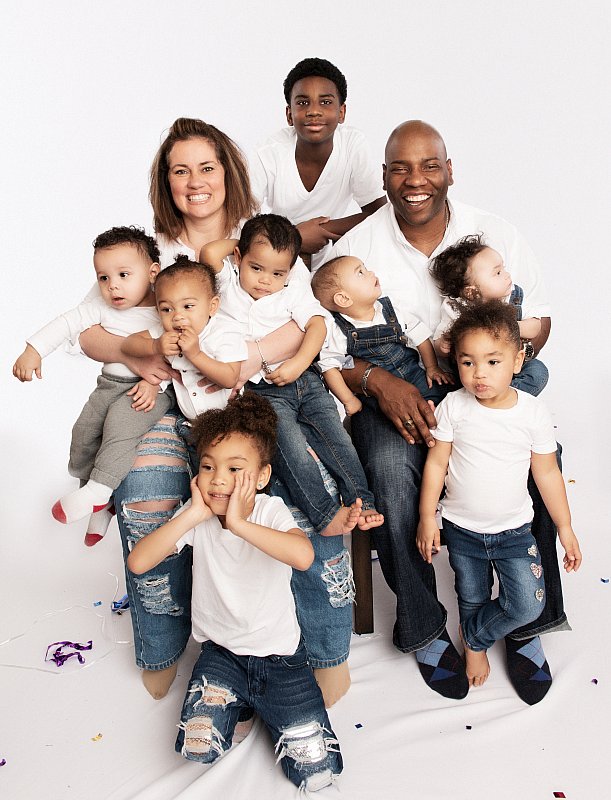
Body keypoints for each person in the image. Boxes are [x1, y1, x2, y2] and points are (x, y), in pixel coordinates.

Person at [79, 119, 352, 703]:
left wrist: (242, 361)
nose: (195, 181)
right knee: (147, 487)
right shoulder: (147, 253)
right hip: (172, 407)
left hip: (254, 401)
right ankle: (163, 642)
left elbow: (303, 321)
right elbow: (91, 334)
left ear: (229, 172)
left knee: (312, 486)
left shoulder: (263, 240)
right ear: (165, 180)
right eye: (180, 170)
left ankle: (325, 647)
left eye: (207, 167)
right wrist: (147, 349)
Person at [330, 119, 568, 704]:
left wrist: (487, 349)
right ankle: (425, 626)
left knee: (539, 456)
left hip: (483, 372)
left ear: (449, 170)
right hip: (395, 380)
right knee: (388, 469)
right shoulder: (354, 248)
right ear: (384, 175)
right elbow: (320, 346)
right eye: (400, 167)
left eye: (429, 165)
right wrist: (378, 380)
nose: (416, 180)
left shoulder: (495, 232)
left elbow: (539, 319)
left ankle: (524, 620)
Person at [127, 392, 343, 791]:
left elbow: (302, 555)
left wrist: (240, 524)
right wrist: (192, 513)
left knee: (316, 770)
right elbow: (139, 563)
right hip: (221, 655)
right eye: (208, 467)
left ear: (261, 477)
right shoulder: (198, 517)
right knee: (198, 748)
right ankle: (240, 703)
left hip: (282, 659)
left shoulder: (268, 511)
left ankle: (260, 704)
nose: (219, 479)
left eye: (234, 468)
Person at [417, 301, 581, 698]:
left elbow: (546, 473)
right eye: (467, 363)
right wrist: (426, 517)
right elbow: (437, 464)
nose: (479, 374)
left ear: (517, 361)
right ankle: (476, 645)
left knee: (527, 604)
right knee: (470, 594)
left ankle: (474, 638)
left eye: (492, 362)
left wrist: (565, 526)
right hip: (462, 529)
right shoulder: (454, 406)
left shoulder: (531, 413)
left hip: (513, 531)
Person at [200, 214, 384, 536]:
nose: (265, 280)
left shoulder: (292, 292)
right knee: (292, 450)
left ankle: (362, 501)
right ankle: (326, 516)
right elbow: (209, 254)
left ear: (289, 272)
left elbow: (318, 325)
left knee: (337, 439)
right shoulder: (227, 284)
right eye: (256, 268)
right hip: (264, 392)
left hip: (307, 381)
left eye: (277, 272)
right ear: (239, 258)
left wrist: (299, 363)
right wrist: (244, 245)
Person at [12, 226, 172, 545]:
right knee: (84, 432)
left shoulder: (164, 310)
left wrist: (153, 382)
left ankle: (99, 491)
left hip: (148, 390)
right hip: (108, 384)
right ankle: (97, 497)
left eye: (124, 275)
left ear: (153, 272)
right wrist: (34, 350)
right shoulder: (101, 306)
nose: (113, 286)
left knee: (120, 426)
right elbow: (66, 323)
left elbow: (179, 352)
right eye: (103, 277)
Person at [250, 57, 386, 270]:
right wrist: (294, 237)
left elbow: (381, 214)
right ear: (289, 114)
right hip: (276, 255)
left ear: (342, 112)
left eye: (325, 102)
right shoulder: (268, 153)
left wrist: (322, 230)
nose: (314, 111)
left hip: (330, 254)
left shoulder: (352, 144)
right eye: (303, 102)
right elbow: (242, 225)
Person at [311, 254, 453, 416]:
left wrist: (432, 367)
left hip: (414, 374)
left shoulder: (392, 310)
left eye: (365, 268)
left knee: (443, 396)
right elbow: (329, 367)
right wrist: (348, 400)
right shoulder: (338, 331)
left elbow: (420, 334)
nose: (370, 272)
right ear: (344, 298)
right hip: (375, 394)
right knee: (378, 418)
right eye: (360, 273)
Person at [123, 256, 247, 420]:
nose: (177, 316)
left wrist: (195, 355)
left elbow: (230, 378)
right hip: (189, 424)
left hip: (229, 418)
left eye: (188, 306)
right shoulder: (166, 333)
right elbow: (127, 344)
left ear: (212, 306)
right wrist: (155, 346)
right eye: (167, 309)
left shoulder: (224, 332)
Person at [430, 234, 548, 396]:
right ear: (471, 292)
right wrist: (443, 344)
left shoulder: (514, 296)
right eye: (497, 273)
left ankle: (501, 400)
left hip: (508, 370)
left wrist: (509, 327)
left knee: (538, 372)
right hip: (473, 374)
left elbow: (535, 327)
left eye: (503, 268)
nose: (507, 275)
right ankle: (481, 402)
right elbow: (439, 345)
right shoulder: (456, 308)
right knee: (447, 385)